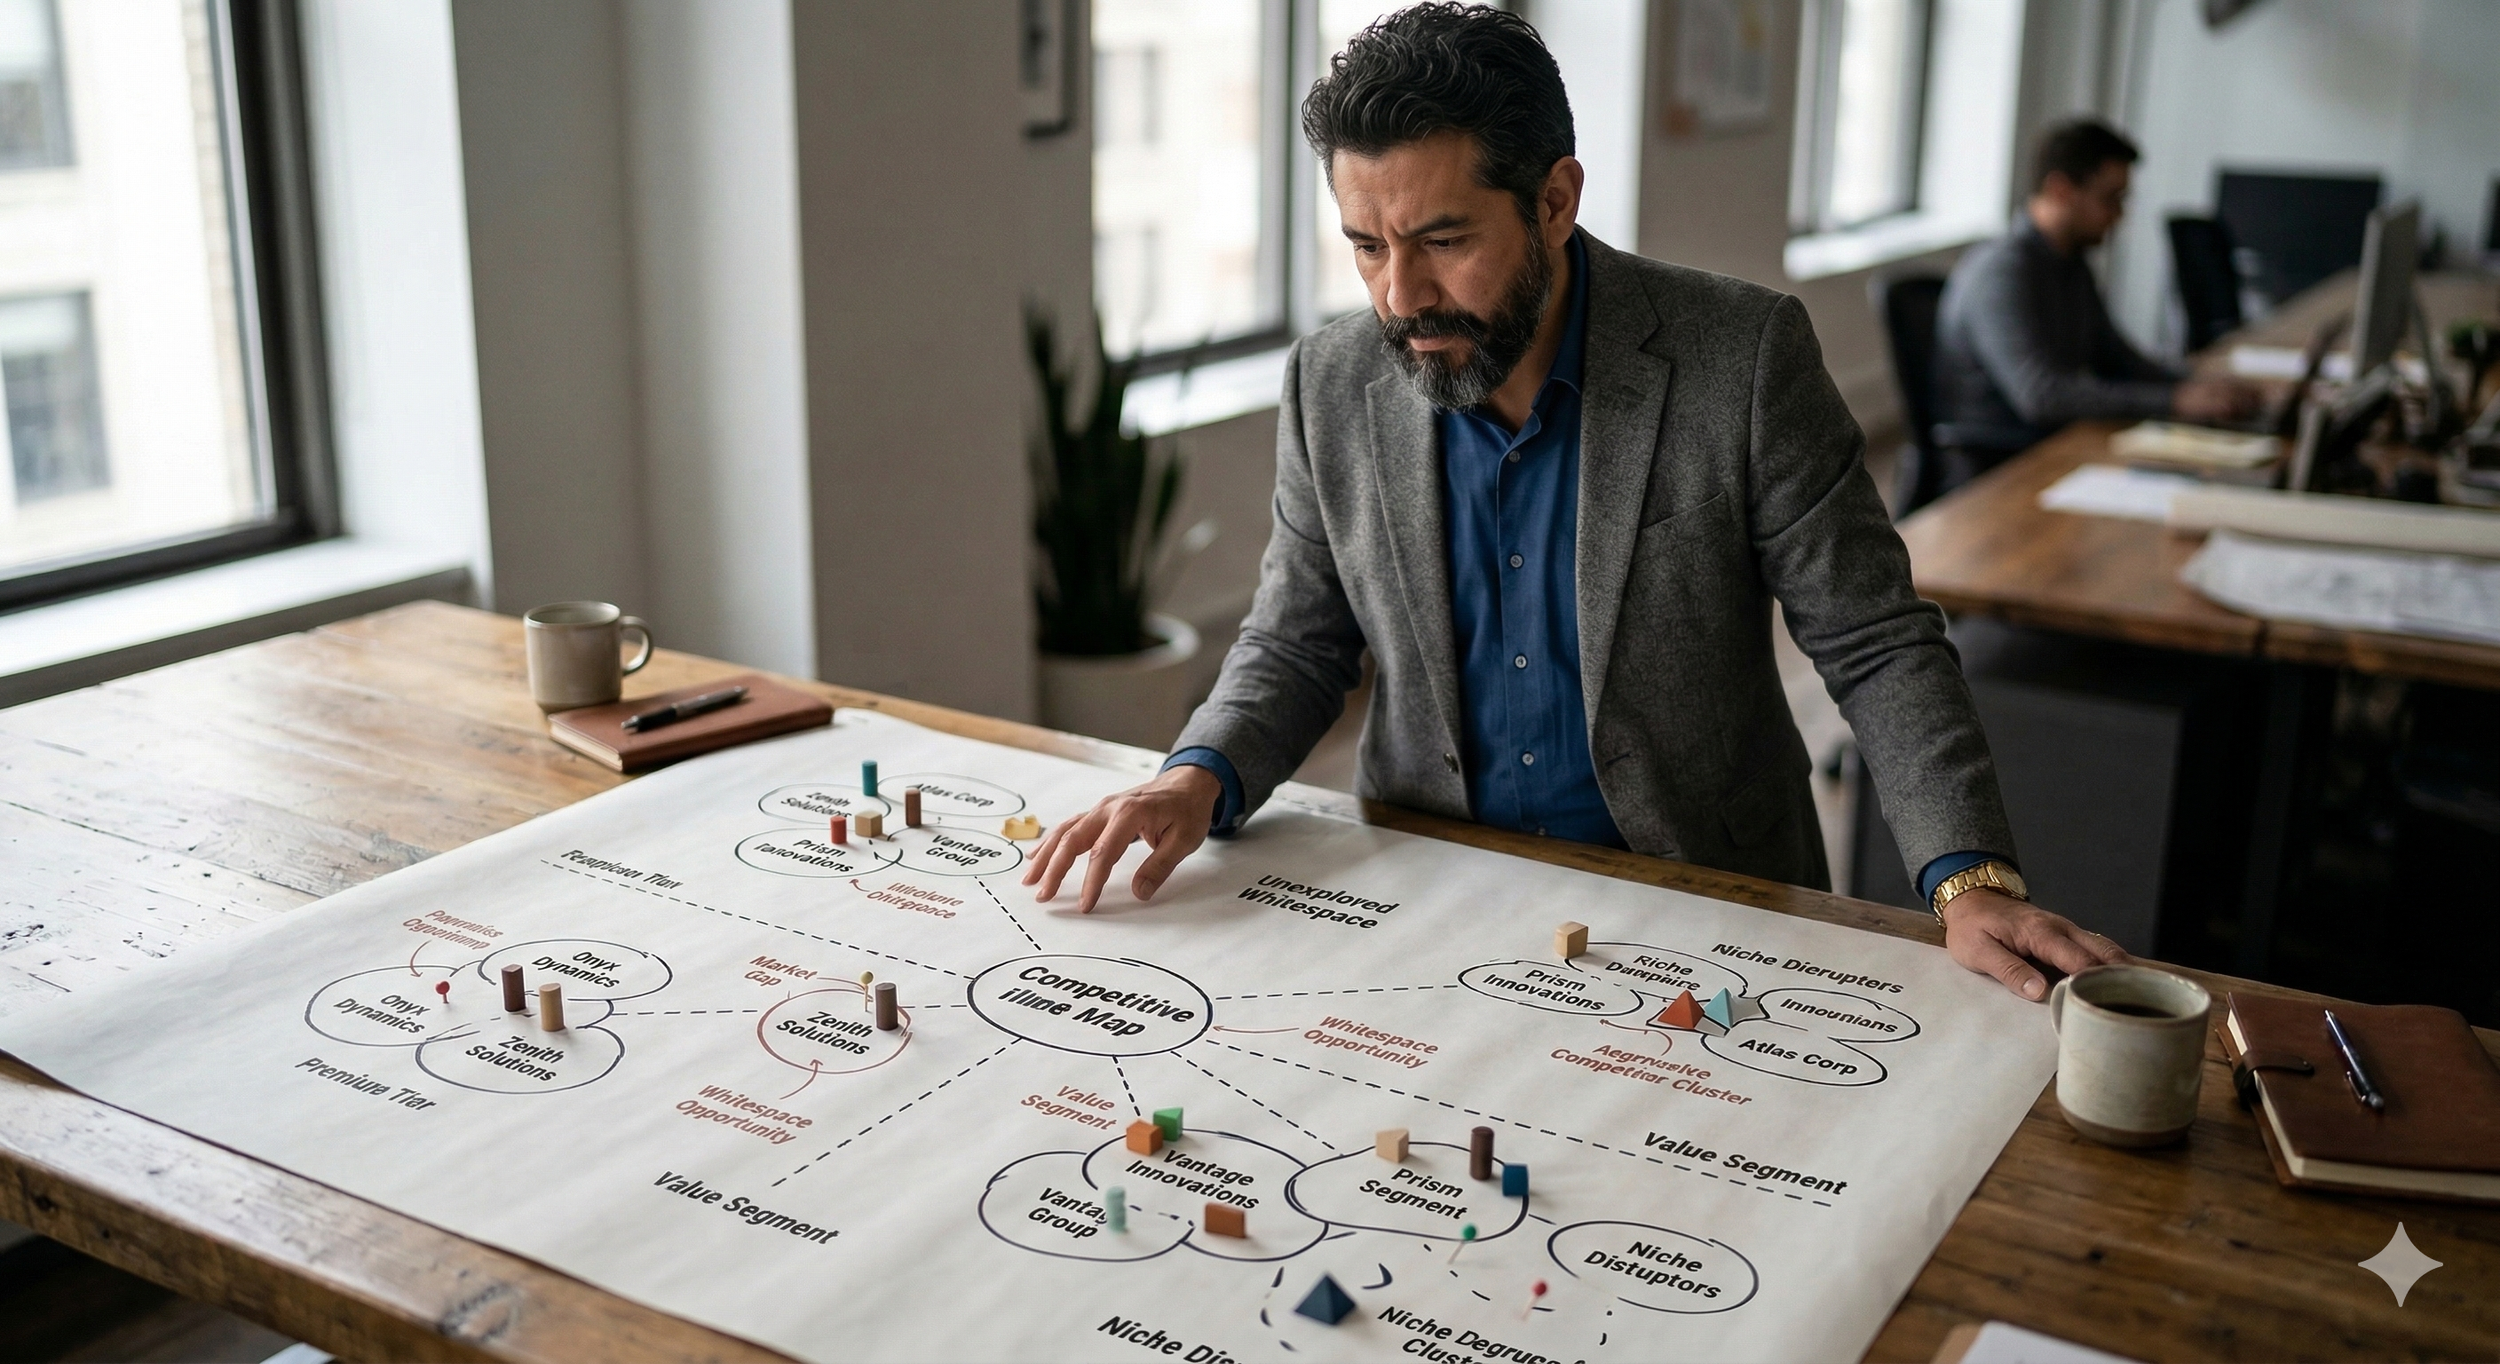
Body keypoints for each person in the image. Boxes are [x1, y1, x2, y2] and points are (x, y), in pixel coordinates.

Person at [1025, 4, 2124, 1001]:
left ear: (1554, 200)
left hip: (1703, 900)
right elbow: (1300, 638)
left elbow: (1874, 639)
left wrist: (1966, 876)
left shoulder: (1739, 358)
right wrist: (1193, 774)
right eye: (1367, 246)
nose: (1399, 297)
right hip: (1433, 892)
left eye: (1444, 241)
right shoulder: (1332, 381)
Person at [1928, 119, 2260, 501]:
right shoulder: (2002, 273)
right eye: (2110, 198)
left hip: (2061, 447)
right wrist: (2175, 400)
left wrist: (2192, 383)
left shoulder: (2070, 263)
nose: (2119, 216)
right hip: (2003, 471)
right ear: (2060, 190)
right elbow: (2042, 395)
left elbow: (2117, 357)